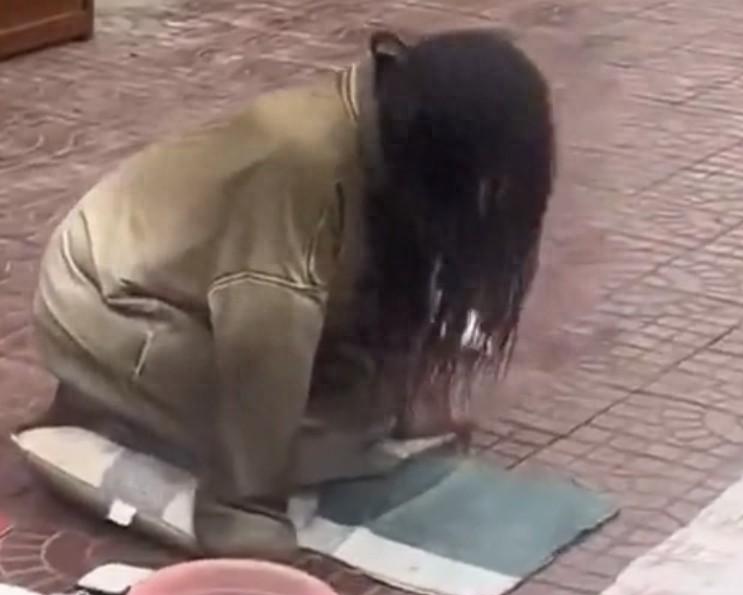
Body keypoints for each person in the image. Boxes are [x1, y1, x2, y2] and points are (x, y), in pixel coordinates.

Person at [25, 28, 555, 559]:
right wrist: (247, 506)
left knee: (367, 411)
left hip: (186, 288)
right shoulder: (302, 161)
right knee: (331, 441)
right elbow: (264, 335)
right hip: (104, 298)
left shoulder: (380, 134)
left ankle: (145, 406)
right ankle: (113, 401)